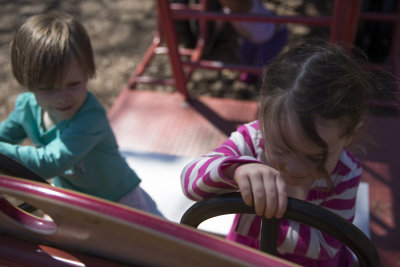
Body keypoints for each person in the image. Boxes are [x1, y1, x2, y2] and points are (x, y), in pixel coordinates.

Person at [181, 41, 372, 266]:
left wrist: (253, 223)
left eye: (315, 157)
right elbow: (189, 181)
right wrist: (234, 169)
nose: (294, 168)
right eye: (282, 149)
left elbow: (327, 245)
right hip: (247, 254)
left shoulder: (345, 173)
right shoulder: (253, 141)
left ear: (349, 135)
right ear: (264, 117)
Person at [0, 12, 163, 217]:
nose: (63, 97)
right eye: (48, 88)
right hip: (73, 200)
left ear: (88, 73)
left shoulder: (90, 118)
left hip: (119, 199)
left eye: (74, 84)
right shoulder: (26, 108)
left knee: (154, 245)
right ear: (27, 82)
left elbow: (49, 163)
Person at [218, 0, 288, 83]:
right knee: (245, 56)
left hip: (272, 36)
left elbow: (239, 8)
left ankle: (266, 85)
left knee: (264, 64)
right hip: (252, 37)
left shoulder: (247, 4)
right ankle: (250, 75)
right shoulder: (228, 7)